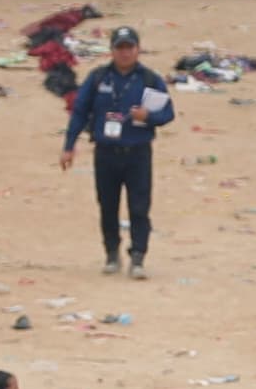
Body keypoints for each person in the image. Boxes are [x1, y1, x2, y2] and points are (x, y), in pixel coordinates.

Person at [61, 31, 176, 280]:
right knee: (107, 206)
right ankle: (112, 254)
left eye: (129, 47)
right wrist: (69, 145)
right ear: (112, 50)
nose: (125, 53)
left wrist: (149, 118)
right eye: (120, 48)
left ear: (138, 49)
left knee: (139, 207)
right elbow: (80, 112)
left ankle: (138, 257)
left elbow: (168, 114)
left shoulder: (149, 79)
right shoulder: (98, 78)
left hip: (137, 153)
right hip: (106, 153)